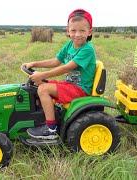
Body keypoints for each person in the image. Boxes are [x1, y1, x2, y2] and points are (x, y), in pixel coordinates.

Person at [22, 9, 96, 140]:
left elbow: (67, 68)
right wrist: (34, 63)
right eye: (73, 30)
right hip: (70, 85)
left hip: (80, 89)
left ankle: (51, 129)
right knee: (38, 84)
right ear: (68, 31)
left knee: (43, 88)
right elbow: (56, 61)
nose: (77, 34)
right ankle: (47, 116)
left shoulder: (87, 49)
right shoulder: (69, 45)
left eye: (82, 31)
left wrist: (43, 75)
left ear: (89, 31)